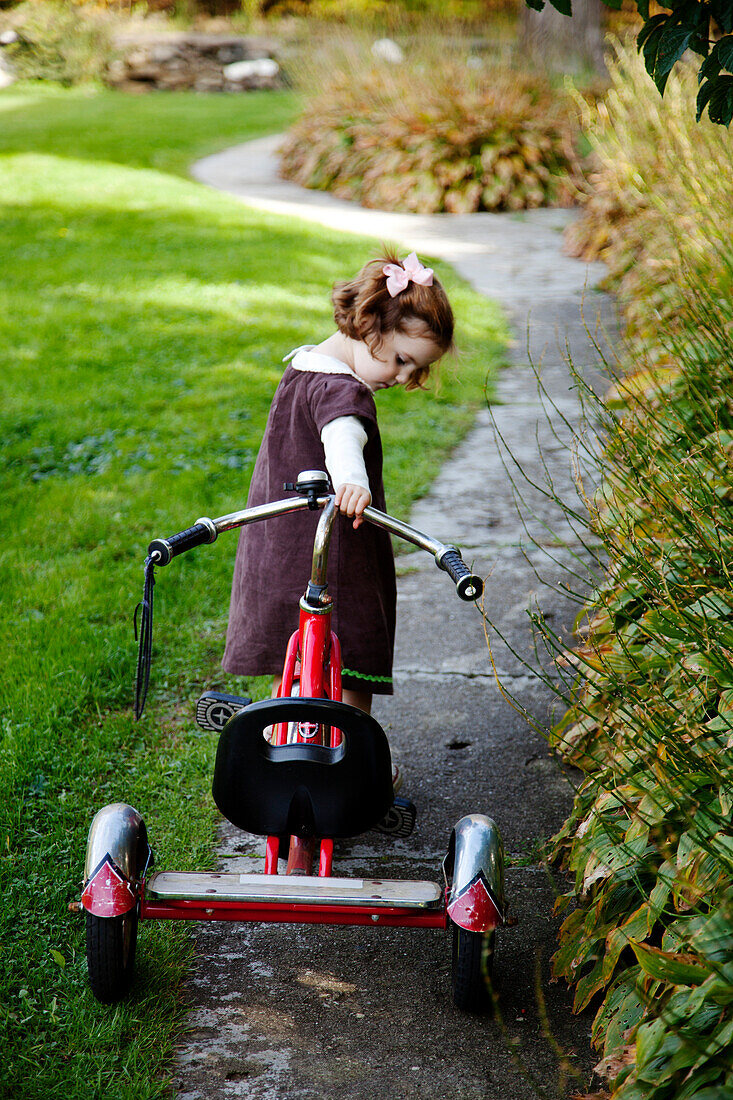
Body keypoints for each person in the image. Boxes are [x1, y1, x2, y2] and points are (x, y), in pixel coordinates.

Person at [222, 250, 455, 716]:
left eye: (417, 370)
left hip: (280, 548)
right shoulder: (343, 390)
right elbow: (342, 433)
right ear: (370, 324)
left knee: (290, 664)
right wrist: (351, 480)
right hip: (334, 558)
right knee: (349, 661)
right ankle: (354, 764)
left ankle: (277, 746)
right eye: (402, 360)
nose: (403, 376)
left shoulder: (305, 366)